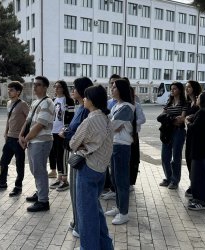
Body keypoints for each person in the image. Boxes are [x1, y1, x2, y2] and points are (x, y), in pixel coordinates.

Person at [69, 85, 114, 250]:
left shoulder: (90, 120)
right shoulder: (105, 118)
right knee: (96, 211)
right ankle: (105, 246)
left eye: (86, 97)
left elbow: (73, 142)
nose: (84, 100)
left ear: (92, 100)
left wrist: (82, 146)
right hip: (101, 169)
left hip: (88, 169)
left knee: (86, 215)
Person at [59, 77, 93, 238]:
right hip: (74, 150)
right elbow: (75, 128)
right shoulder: (80, 107)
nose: (72, 90)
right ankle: (76, 219)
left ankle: (81, 225)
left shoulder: (87, 109)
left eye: (75, 88)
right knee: (74, 191)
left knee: (79, 191)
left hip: (81, 153)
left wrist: (67, 135)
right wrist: (67, 132)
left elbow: (83, 133)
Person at [19, 76, 55, 212]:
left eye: (38, 85)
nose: (35, 87)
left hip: (42, 141)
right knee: (35, 170)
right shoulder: (35, 103)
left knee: (39, 170)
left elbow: (40, 125)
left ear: (45, 87)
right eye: (34, 85)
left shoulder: (47, 103)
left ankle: (43, 201)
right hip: (33, 140)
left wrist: (26, 139)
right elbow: (28, 121)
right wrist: (21, 135)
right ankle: (40, 192)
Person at [0, 82, 29, 196]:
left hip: (18, 139)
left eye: (11, 90)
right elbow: (8, 119)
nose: (9, 91)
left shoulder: (23, 104)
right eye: (9, 89)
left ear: (18, 92)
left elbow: (29, 120)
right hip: (9, 138)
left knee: (19, 164)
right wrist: (5, 132)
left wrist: (23, 135)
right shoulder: (8, 103)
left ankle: (18, 186)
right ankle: (2, 183)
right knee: (3, 162)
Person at [104, 79, 134, 225]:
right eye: (112, 87)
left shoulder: (127, 107)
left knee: (121, 180)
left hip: (122, 146)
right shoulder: (117, 105)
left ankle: (124, 213)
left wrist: (113, 124)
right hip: (114, 144)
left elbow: (111, 125)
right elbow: (111, 124)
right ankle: (119, 206)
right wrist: (112, 124)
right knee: (115, 179)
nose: (112, 89)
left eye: (115, 87)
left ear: (122, 89)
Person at [159, 81, 187, 189]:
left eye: (174, 88)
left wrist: (169, 118)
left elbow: (181, 120)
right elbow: (162, 115)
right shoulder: (169, 102)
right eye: (171, 89)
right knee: (165, 156)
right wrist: (172, 119)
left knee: (176, 157)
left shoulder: (184, 103)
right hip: (167, 131)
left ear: (180, 90)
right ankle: (168, 177)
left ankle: (175, 180)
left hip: (178, 131)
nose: (172, 90)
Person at [48, 80, 74, 191]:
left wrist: (66, 130)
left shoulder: (68, 100)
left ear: (63, 88)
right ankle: (59, 178)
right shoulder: (53, 100)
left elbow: (71, 117)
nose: (56, 89)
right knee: (56, 155)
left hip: (62, 132)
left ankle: (65, 180)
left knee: (63, 155)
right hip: (53, 131)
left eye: (59, 87)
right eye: (55, 87)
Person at [184, 80, 202, 198]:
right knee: (188, 158)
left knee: (195, 161)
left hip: (197, 134)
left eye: (189, 87)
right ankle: (192, 183)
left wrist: (187, 119)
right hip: (189, 133)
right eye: (186, 87)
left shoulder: (198, 103)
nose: (187, 89)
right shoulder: (188, 102)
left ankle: (195, 185)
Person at [129, 85, 146, 190]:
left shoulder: (136, 105)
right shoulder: (116, 104)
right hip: (121, 138)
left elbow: (142, 119)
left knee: (133, 159)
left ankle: (130, 182)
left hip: (133, 136)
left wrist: (131, 124)